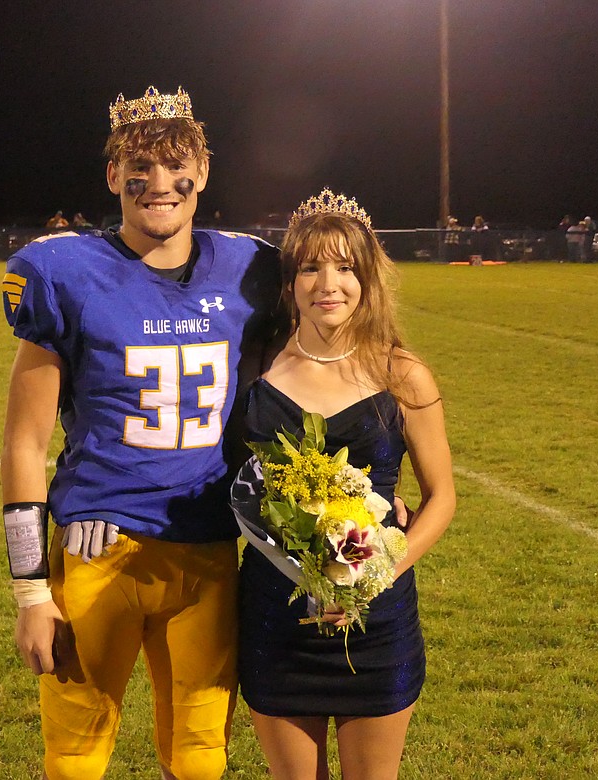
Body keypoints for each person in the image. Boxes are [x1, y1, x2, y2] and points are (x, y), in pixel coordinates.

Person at [0, 84, 281, 779]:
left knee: (200, 755)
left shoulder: (249, 267)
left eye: (175, 165)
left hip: (208, 549)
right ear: (112, 176)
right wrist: (32, 591)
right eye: (141, 167)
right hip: (102, 548)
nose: (159, 184)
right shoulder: (63, 273)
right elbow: (24, 444)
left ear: (203, 173)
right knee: (75, 756)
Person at [236, 189, 455, 780]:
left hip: (378, 614)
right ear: (289, 281)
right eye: (310, 267)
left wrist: (376, 575)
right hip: (274, 616)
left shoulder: (402, 373)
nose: (327, 283)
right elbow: (229, 478)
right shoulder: (254, 365)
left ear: (368, 280)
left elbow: (442, 498)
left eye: (345, 268)